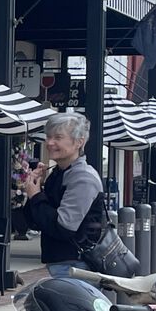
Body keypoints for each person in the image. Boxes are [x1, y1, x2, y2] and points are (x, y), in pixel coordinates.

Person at [19, 110, 109, 275]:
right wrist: (36, 189)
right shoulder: (60, 173)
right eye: (48, 137)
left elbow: (64, 227)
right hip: (62, 263)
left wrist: (36, 195)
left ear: (79, 142)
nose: (50, 143)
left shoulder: (83, 178)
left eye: (58, 138)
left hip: (77, 266)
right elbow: (33, 222)